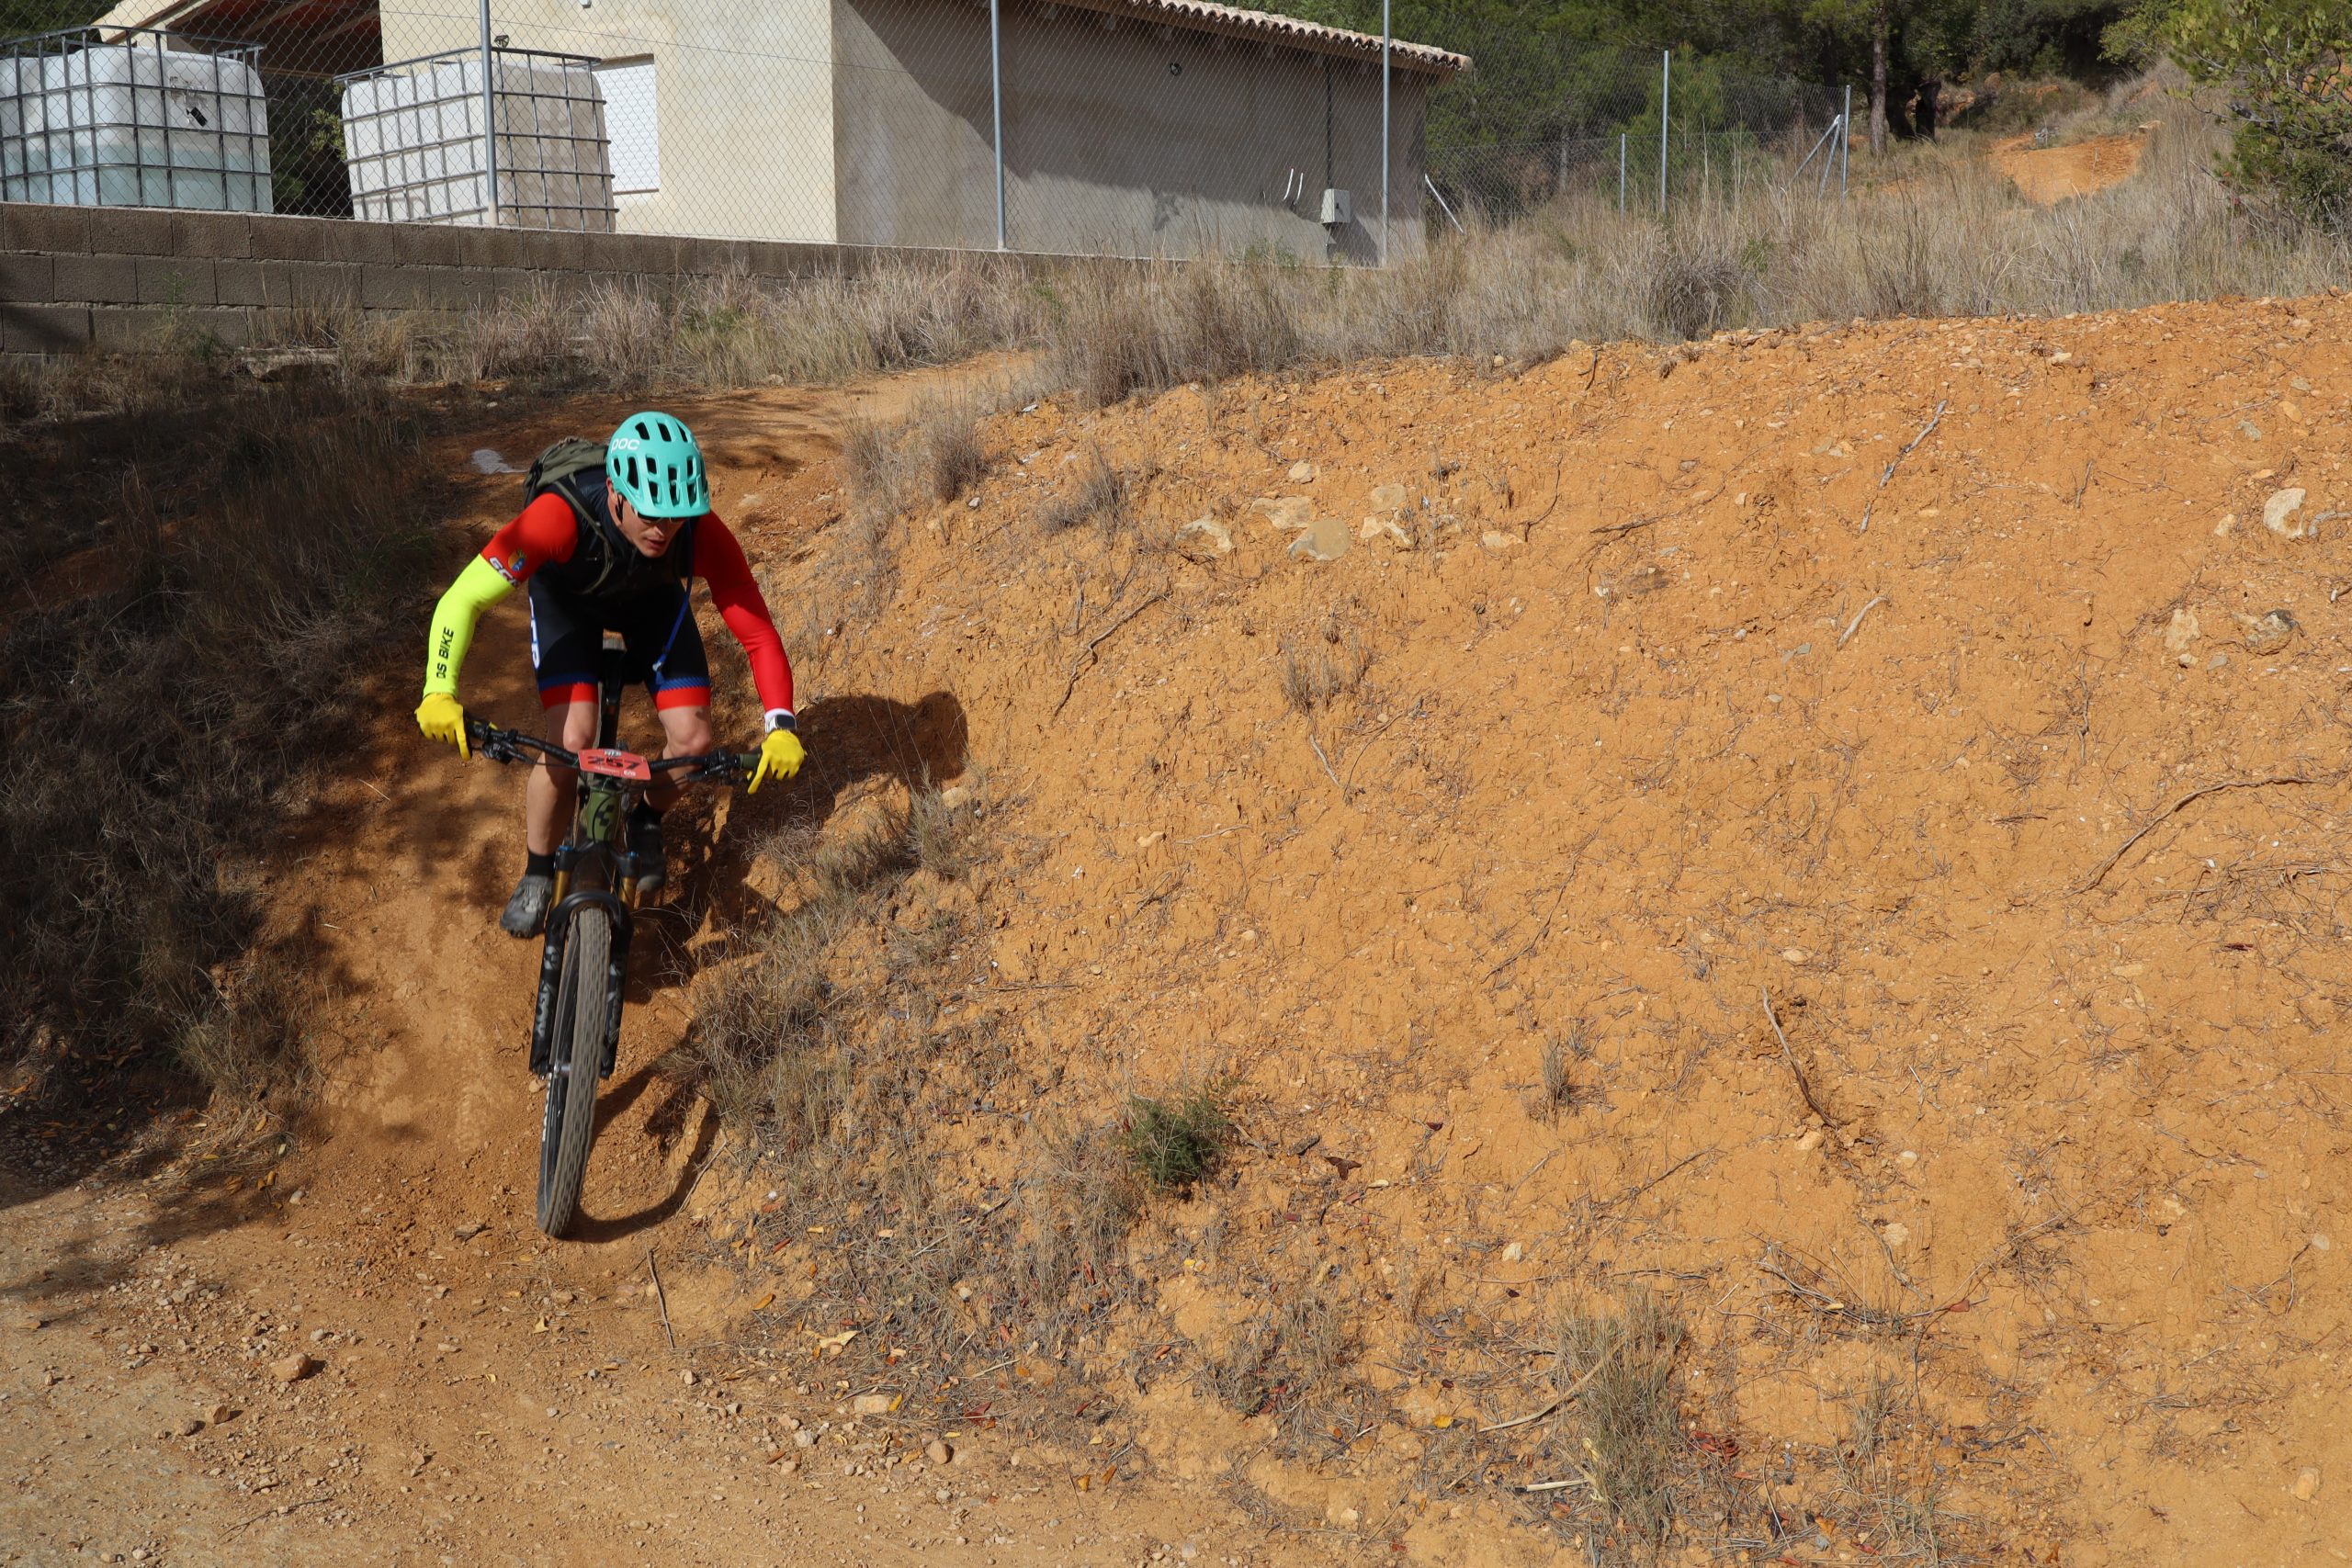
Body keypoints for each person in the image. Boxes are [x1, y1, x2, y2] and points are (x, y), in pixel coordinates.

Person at [413, 412, 806, 936]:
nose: (664, 529)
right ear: (616, 493)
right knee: (571, 740)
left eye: (676, 516)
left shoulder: (698, 531)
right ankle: (537, 870)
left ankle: (645, 818)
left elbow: (757, 632)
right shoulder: (559, 516)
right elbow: (463, 599)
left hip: (652, 606)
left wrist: (781, 724)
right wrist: (439, 690)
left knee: (693, 741)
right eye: (651, 513)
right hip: (568, 604)